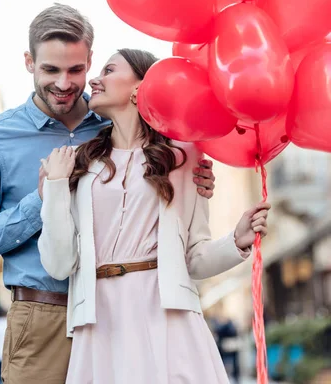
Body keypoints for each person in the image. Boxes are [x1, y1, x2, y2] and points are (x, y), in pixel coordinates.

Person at [0, 4, 216, 384]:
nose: (63, 83)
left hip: (118, 318)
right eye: (50, 70)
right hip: (44, 318)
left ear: (89, 60)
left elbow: (164, 178)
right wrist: (38, 202)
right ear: (29, 62)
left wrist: (200, 182)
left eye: (75, 70)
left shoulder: (117, 120)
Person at [38, 48, 271, 384]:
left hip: (167, 314)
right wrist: (58, 187)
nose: (94, 79)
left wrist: (236, 240)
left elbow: (194, 258)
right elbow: (59, 264)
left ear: (139, 88)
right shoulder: (75, 161)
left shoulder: (184, 157)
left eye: (108, 70)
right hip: (98, 320)